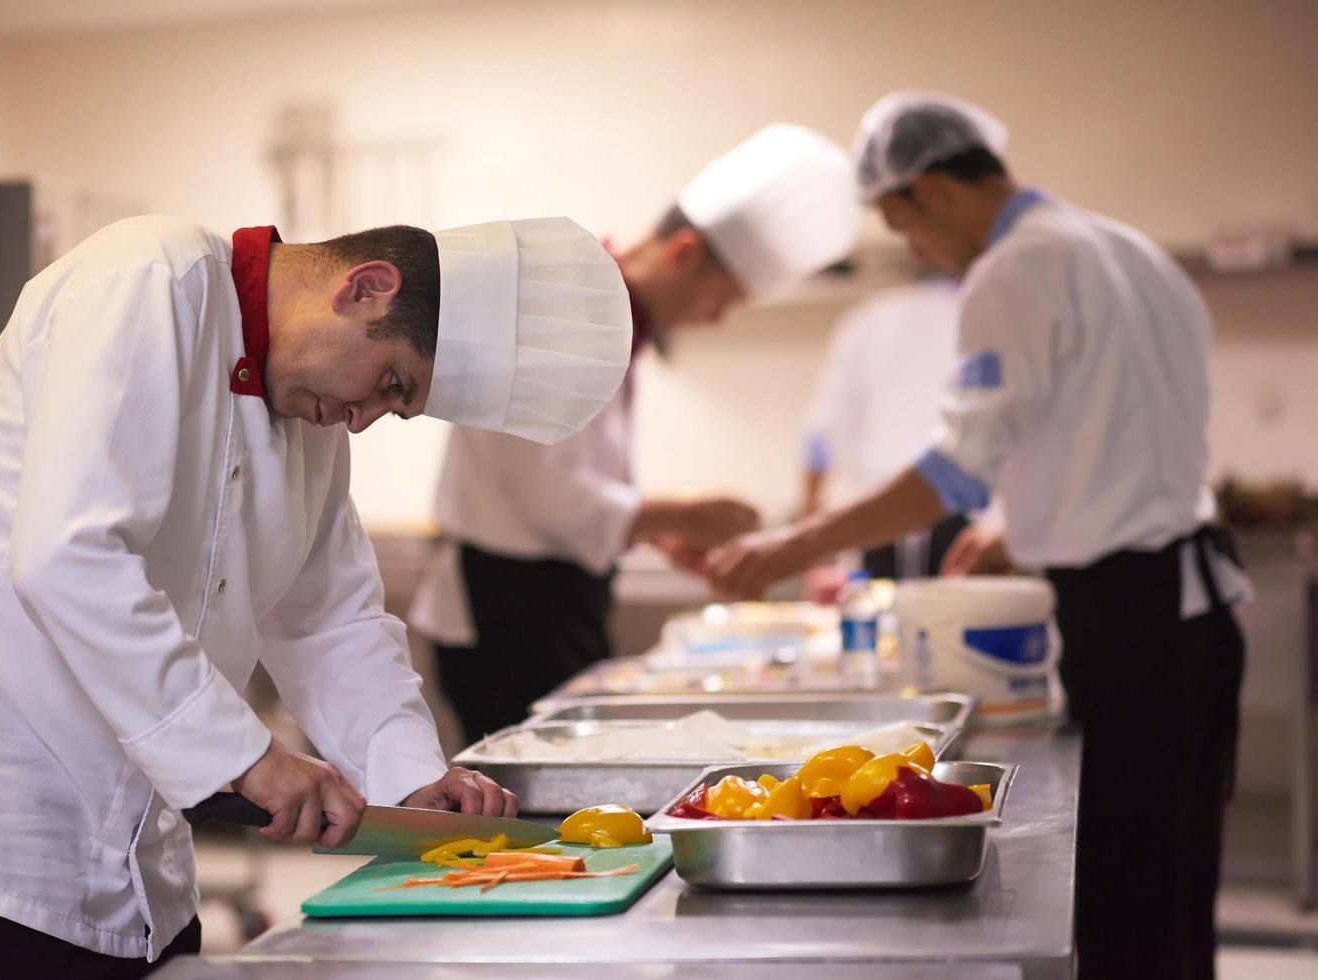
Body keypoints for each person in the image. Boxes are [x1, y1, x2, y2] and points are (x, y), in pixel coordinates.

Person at [0, 213, 632, 977]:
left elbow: (332, 621)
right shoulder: (148, 280)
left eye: (397, 406)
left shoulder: (312, 423)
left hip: (135, 877)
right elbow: (67, 556)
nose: (363, 422)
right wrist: (250, 757)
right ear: (366, 288)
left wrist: (413, 785)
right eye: (391, 381)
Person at [704, 92, 1250, 980]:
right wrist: (1021, 519)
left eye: (900, 224)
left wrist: (791, 545)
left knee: (1121, 891)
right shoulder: (1126, 248)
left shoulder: (1014, 269)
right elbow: (1116, 431)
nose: (914, 249)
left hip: (1130, 614)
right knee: (1179, 889)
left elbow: (953, 469)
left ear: (931, 192)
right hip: (1197, 604)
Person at [408, 124, 862, 744]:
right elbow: (544, 493)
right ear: (682, 254)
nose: (717, 321)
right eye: (721, 300)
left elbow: (576, 479)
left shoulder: (614, 322)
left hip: (552, 603)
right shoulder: (557, 305)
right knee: (532, 831)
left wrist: (662, 529)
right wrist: (677, 512)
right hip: (503, 612)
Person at [800, 275, 970, 582]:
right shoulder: (978, 312)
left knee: (880, 623)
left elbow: (821, 434)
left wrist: (809, 527)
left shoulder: (869, 317)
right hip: (958, 512)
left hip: (878, 510)